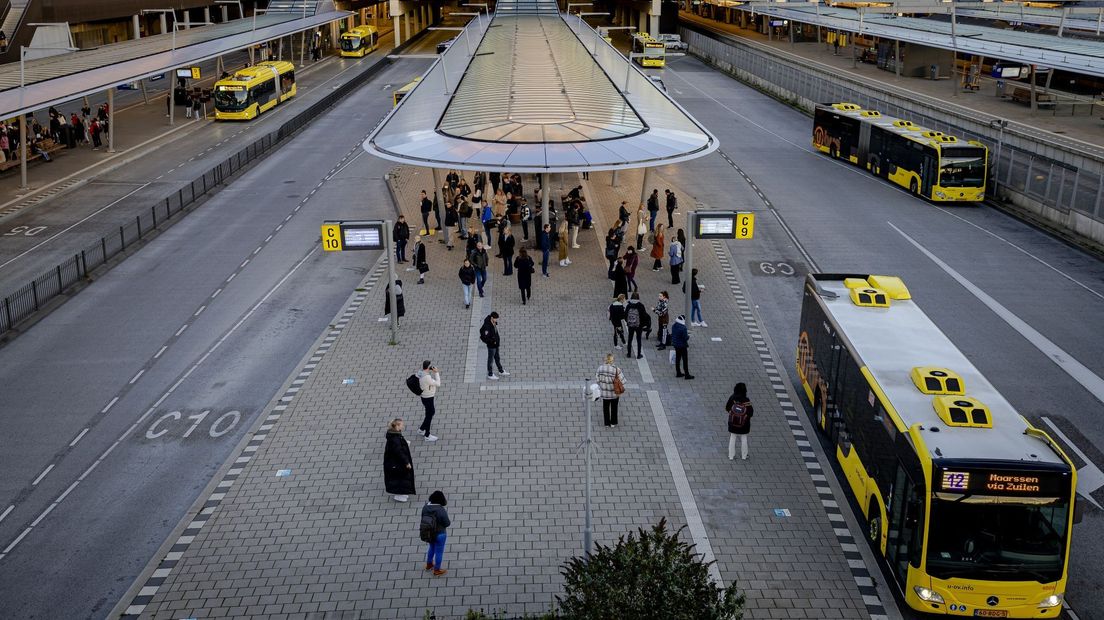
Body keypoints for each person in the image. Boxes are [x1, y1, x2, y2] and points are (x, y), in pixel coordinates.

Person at [384, 418, 415, 502]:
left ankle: (402, 493)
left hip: (393, 462)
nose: (403, 426)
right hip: (396, 462)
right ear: (397, 426)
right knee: (400, 477)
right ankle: (400, 494)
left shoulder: (394, 434)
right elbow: (399, 452)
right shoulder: (395, 438)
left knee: (399, 477)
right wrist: (407, 462)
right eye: (402, 424)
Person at [422, 490, 451, 576]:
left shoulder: (425, 507)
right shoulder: (440, 510)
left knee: (431, 548)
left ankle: (429, 564)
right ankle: (437, 570)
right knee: (439, 552)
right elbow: (447, 523)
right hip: (440, 534)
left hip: (429, 532)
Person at [595, 353, 626, 427]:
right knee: (614, 407)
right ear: (612, 361)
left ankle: (606, 423)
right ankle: (613, 423)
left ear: (605, 359)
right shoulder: (616, 369)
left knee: (605, 407)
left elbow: (597, 379)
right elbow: (623, 381)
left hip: (605, 393)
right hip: (615, 393)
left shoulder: (600, 368)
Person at [726, 383, 754, 460]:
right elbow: (750, 413)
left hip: (733, 422)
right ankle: (744, 456)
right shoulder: (746, 400)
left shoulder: (732, 398)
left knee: (733, 437)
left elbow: (727, 408)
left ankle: (731, 455)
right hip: (744, 424)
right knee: (744, 438)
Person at [480, 312, 509, 380]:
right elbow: (486, 337)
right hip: (491, 346)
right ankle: (490, 374)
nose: (496, 320)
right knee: (490, 360)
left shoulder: (493, 322)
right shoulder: (487, 326)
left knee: (497, 358)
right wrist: (492, 341)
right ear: (492, 318)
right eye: (496, 319)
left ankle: (500, 370)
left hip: (496, 344)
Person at [418, 361, 442, 441]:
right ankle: (427, 435)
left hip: (424, 396)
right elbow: (438, 384)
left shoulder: (421, 373)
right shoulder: (427, 377)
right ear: (428, 367)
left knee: (430, 413)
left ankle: (421, 429)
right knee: (429, 415)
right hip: (428, 397)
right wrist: (436, 373)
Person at [625, 292, 647, 359]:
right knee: (638, 340)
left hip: (630, 325)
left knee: (630, 339)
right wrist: (642, 325)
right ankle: (638, 355)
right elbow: (644, 316)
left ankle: (629, 354)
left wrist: (628, 322)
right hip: (639, 326)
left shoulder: (628, 305)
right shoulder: (641, 305)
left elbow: (625, 314)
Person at [671, 315, 693, 380]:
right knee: (685, 360)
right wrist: (688, 336)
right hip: (682, 346)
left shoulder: (674, 325)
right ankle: (687, 374)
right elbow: (685, 338)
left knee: (678, 358)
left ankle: (678, 372)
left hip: (676, 345)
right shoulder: (683, 328)